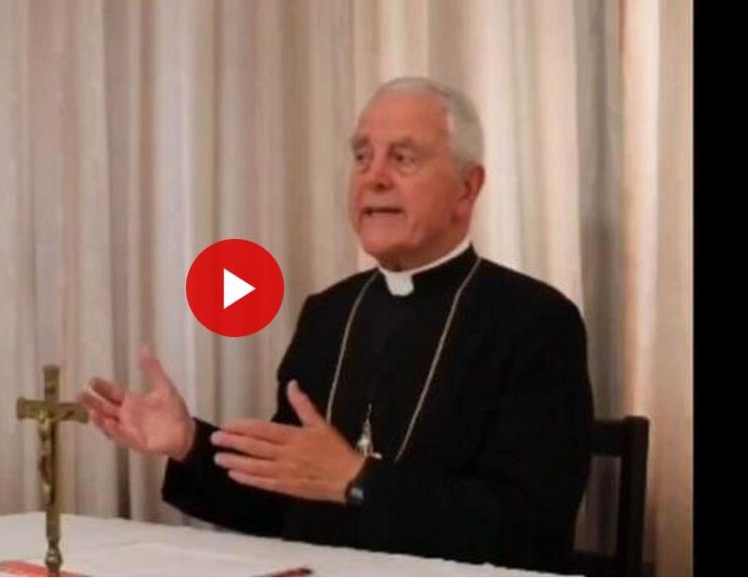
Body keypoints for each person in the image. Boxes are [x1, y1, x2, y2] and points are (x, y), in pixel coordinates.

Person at [80, 76, 593, 573]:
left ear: (467, 188)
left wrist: (357, 480)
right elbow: (279, 503)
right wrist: (188, 443)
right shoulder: (330, 314)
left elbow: (532, 532)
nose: (375, 177)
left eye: (403, 158)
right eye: (363, 157)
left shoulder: (535, 322)